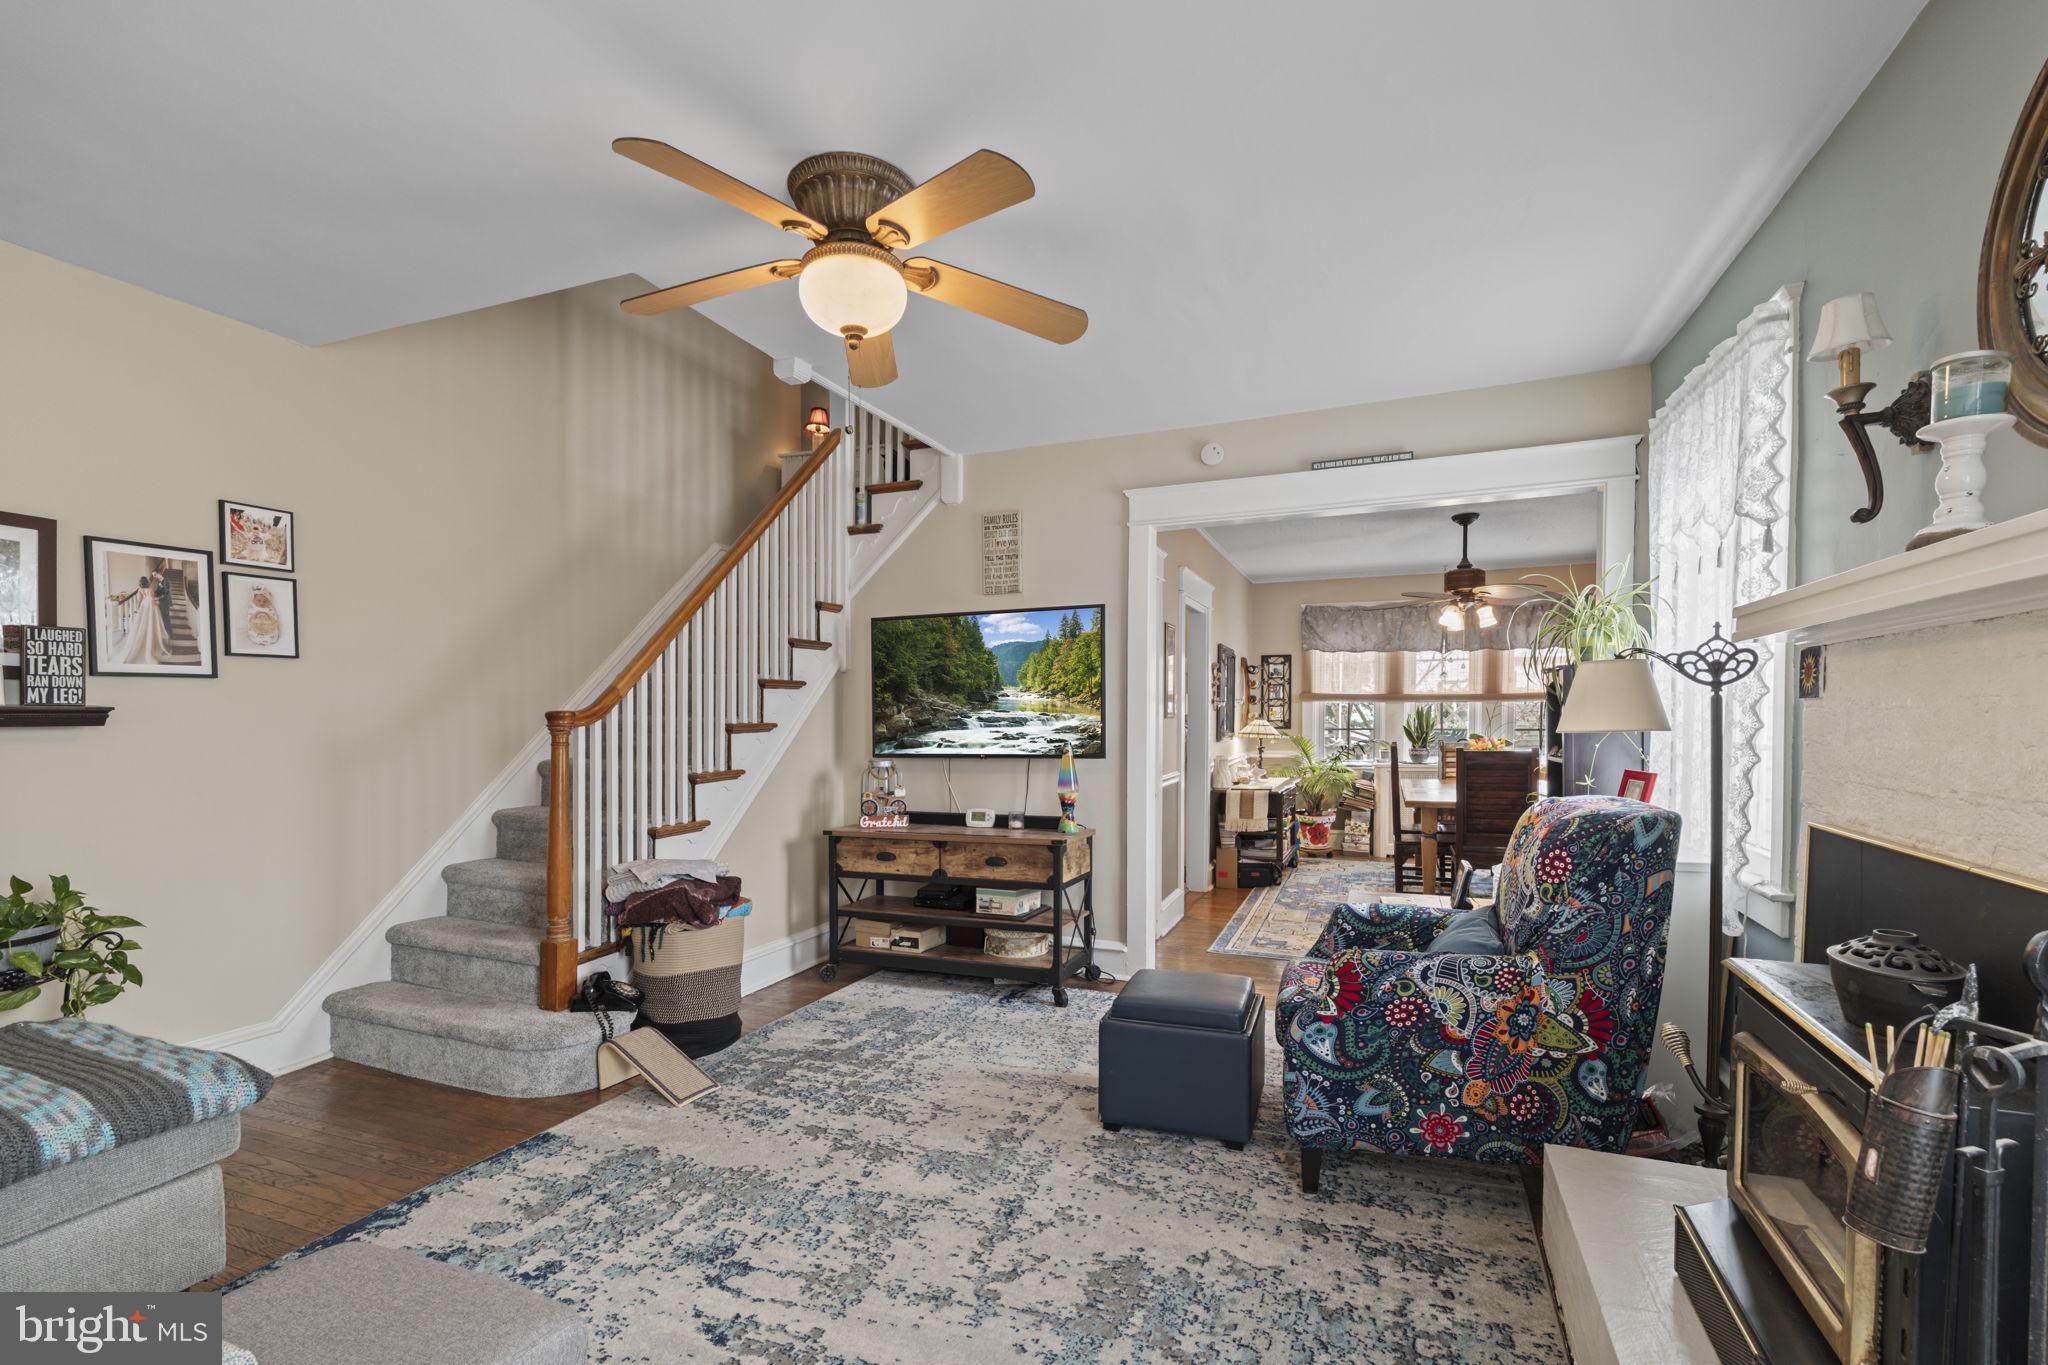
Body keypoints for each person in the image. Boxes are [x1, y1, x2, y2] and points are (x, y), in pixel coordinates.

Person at [112, 573, 169, 665]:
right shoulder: (150, 589)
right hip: (150, 605)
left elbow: (140, 599)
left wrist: (139, 608)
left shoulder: (140, 589)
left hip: (144, 605)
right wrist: (161, 597)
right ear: (147, 582)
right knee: (151, 622)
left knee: (143, 623)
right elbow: (153, 598)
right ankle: (150, 642)